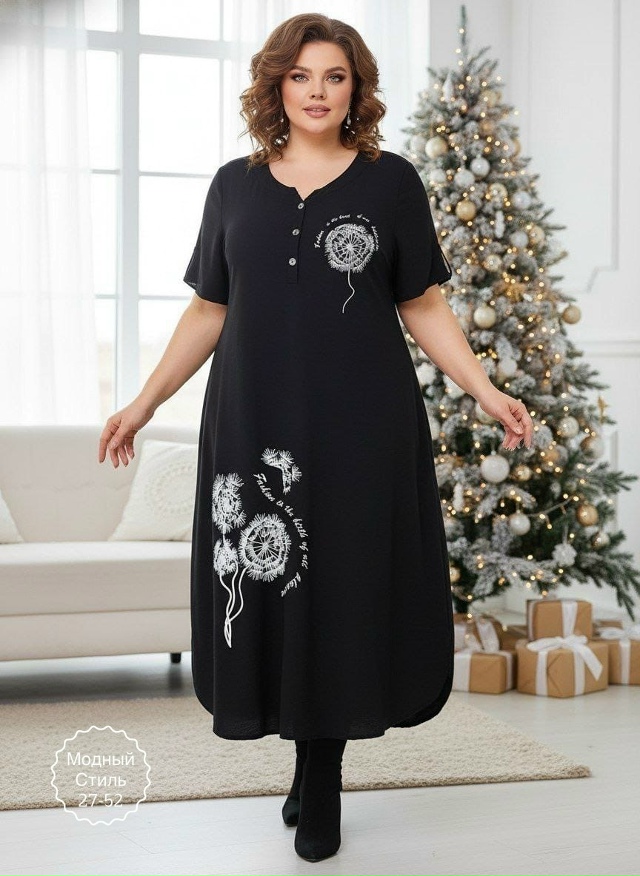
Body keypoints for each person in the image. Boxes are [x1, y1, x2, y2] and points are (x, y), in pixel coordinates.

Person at [98, 13, 534, 863]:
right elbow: (209, 309)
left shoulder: (390, 182)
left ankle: (324, 775)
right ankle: (305, 757)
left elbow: (422, 303)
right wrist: (143, 403)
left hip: (361, 425)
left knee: (340, 588)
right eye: (300, 76)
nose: (317, 92)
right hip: (254, 421)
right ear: (276, 86)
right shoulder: (233, 186)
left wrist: (485, 390)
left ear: (356, 88)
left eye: (335, 76)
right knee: (275, 587)